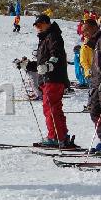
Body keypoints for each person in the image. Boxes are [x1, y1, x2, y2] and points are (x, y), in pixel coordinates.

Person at [30, 14, 73, 147]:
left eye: (40, 24)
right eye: (36, 26)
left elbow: (56, 55)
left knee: (50, 108)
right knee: (54, 108)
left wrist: (49, 65)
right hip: (50, 78)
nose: (38, 27)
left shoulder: (53, 36)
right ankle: (62, 136)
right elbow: (41, 64)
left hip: (53, 78)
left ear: (47, 23)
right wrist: (27, 65)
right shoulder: (46, 38)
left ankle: (55, 137)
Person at [81, 19, 101, 153]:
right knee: (95, 111)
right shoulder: (95, 42)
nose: (84, 33)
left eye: (85, 30)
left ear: (93, 28)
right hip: (96, 83)